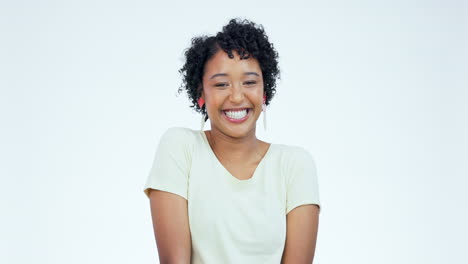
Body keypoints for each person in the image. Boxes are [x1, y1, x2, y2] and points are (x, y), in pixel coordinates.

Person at [143, 18, 321, 264]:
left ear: (264, 91)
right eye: (221, 84)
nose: (237, 96)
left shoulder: (294, 166)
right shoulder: (180, 149)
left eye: (249, 82)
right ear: (201, 93)